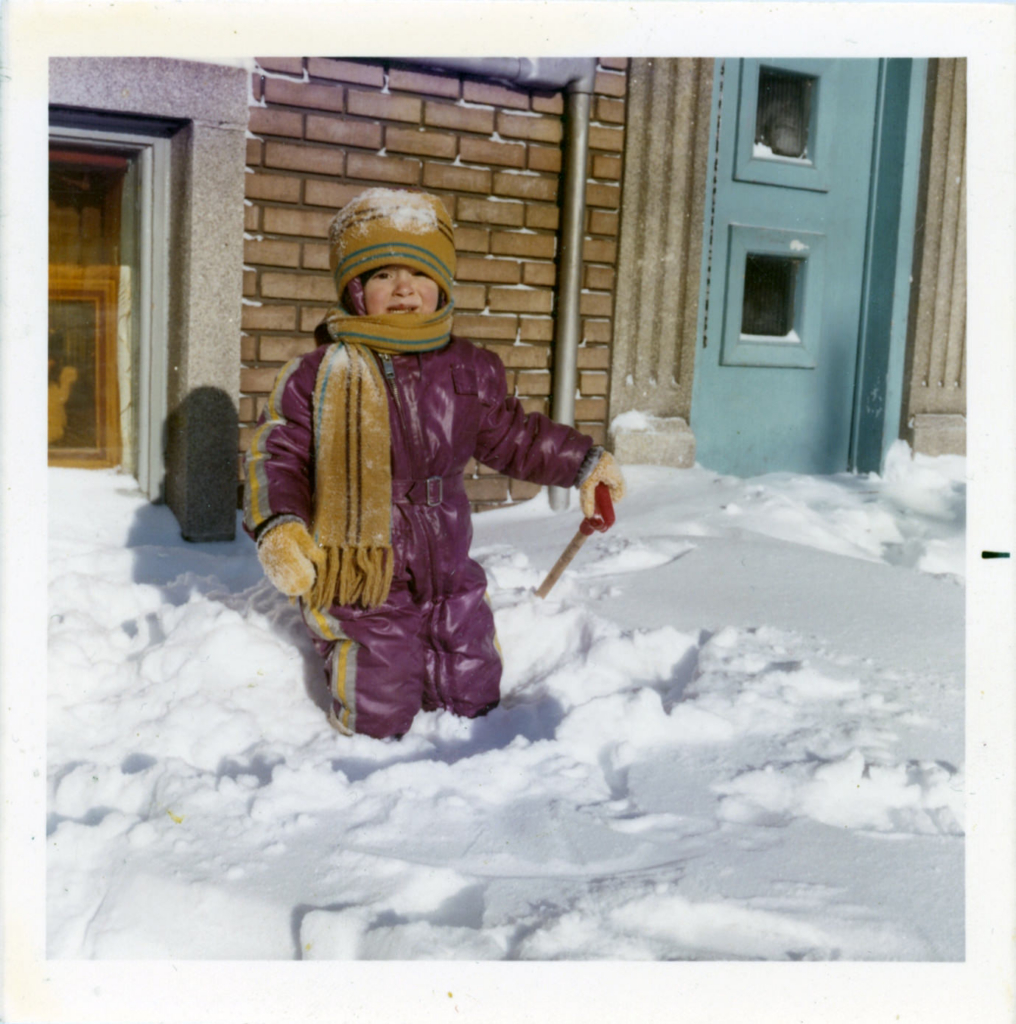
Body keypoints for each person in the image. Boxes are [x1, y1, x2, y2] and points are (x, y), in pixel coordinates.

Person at [243, 188, 624, 739]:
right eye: (382, 274)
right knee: (381, 689)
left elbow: (515, 435)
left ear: (441, 285)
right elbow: (278, 453)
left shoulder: (468, 368)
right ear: (355, 290)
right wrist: (279, 525)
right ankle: (367, 756)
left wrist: (583, 463)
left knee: (471, 680)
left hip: (447, 558)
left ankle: (474, 758)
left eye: (419, 273)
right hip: (360, 568)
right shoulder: (317, 375)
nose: (403, 288)